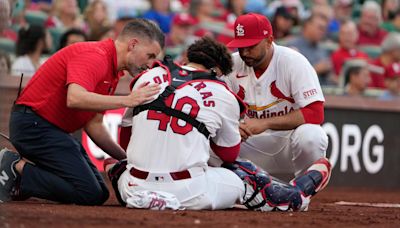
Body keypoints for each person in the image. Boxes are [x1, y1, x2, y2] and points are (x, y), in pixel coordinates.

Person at [104, 37, 331, 212]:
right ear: (218, 70)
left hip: (133, 188)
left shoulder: (149, 76)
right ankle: (295, 196)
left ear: (187, 59)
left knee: (119, 164)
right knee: (242, 176)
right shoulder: (220, 91)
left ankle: (118, 173)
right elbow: (229, 155)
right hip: (188, 192)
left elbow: (126, 141)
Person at [0, 18, 165, 205]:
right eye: (150, 55)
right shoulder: (96, 55)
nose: (151, 64)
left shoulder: (112, 69)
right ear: (133, 44)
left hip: (47, 128)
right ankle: (14, 166)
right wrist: (128, 100)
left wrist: (127, 159)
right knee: (88, 193)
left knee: (100, 193)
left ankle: (18, 181)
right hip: (35, 126)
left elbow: (94, 125)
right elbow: (75, 98)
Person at [224, 13, 331, 186]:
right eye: (240, 46)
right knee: (210, 138)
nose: (244, 52)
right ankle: (238, 187)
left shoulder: (293, 62)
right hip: (251, 145)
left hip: (288, 145)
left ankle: (301, 191)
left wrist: (265, 123)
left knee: (313, 136)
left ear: (269, 40)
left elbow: (315, 113)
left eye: (250, 46)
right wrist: (232, 126)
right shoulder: (231, 64)